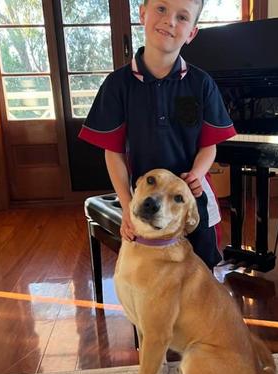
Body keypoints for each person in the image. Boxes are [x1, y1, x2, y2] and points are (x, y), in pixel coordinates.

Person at [79, 0, 236, 269]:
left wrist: (196, 175)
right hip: (145, 201)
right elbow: (113, 153)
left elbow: (209, 146)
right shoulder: (118, 85)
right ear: (142, 13)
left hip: (192, 199)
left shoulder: (202, 83)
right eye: (161, 9)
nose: (170, 21)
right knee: (152, 275)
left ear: (191, 33)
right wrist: (128, 206)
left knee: (200, 271)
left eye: (182, 17)